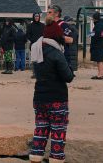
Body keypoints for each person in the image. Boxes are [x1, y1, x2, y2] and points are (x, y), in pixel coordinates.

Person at [29, 15, 74, 163]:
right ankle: (55, 158)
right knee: (58, 132)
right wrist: (70, 68)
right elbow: (68, 76)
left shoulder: (36, 50)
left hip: (39, 97)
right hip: (57, 98)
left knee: (40, 130)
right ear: (57, 37)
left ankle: (35, 157)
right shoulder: (56, 53)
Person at [27, 13, 45, 78]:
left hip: (41, 44)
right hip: (33, 44)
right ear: (33, 17)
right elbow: (28, 35)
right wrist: (33, 40)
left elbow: (44, 34)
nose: (37, 17)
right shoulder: (30, 26)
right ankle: (34, 73)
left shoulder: (42, 25)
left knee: (41, 59)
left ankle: (40, 73)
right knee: (34, 59)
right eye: (35, 16)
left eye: (38, 16)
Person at [90, 12, 103, 80]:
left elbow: (97, 34)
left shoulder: (99, 25)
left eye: (93, 18)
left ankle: (100, 75)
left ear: (95, 18)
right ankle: (101, 74)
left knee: (99, 60)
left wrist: (91, 34)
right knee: (100, 60)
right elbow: (102, 34)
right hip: (100, 44)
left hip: (98, 45)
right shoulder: (101, 24)